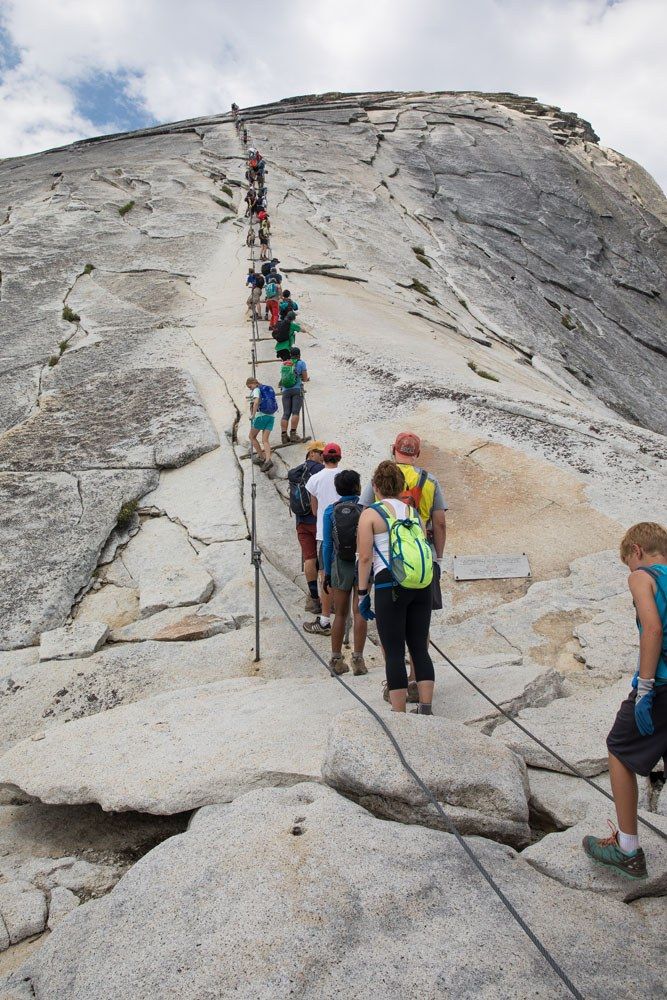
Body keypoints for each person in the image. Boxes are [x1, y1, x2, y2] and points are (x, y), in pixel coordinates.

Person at [583, 523, 667, 880]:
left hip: (660, 684)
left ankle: (628, 849)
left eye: (629, 563)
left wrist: (645, 689)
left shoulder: (642, 577)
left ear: (636, 550)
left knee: (618, 748)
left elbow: (652, 628)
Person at [360, 431, 447, 703]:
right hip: (423, 564)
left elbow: (364, 546)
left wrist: (363, 590)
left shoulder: (374, 492)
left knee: (393, 641)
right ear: (417, 453)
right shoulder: (429, 481)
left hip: (389, 571)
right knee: (419, 639)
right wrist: (438, 559)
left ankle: (395, 689)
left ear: (392, 448)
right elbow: (440, 523)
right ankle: (420, 694)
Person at [321, 469, 368, 676]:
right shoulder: (365, 510)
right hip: (361, 563)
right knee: (359, 611)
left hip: (340, 563)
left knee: (340, 613)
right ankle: (358, 659)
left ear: (338, 489)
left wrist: (327, 573)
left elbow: (327, 544)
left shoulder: (331, 511)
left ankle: (336, 659)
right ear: (358, 487)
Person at [303, 443, 343, 635]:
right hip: (346, 532)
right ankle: (344, 618)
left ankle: (325, 620)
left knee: (325, 575)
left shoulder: (315, 479)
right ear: (339, 458)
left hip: (324, 534)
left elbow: (313, 509)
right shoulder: (347, 476)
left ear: (324, 458)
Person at [288, 442, 326, 614]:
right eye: (320, 453)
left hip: (301, 521)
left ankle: (314, 599)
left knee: (309, 558)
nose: (323, 457)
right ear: (311, 453)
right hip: (317, 520)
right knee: (325, 560)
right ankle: (327, 600)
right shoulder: (320, 471)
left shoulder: (296, 471)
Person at [279, 345, 308, 444]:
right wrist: (304, 379)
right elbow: (304, 378)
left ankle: (283, 436)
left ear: (291, 355)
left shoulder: (285, 364)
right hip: (296, 390)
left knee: (286, 413)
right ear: (299, 355)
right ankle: (293, 435)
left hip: (285, 390)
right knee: (295, 412)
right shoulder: (301, 363)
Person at [245, 377, 275, 473]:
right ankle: (268, 460)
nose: (250, 389)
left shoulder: (257, 389)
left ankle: (262, 457)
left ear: (253, 383)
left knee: (251, 436)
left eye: (250, 387)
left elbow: (256, 402)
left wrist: (253, 415)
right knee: (265, 440)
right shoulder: (267, 388)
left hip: (261, 416)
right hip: (271, 417)